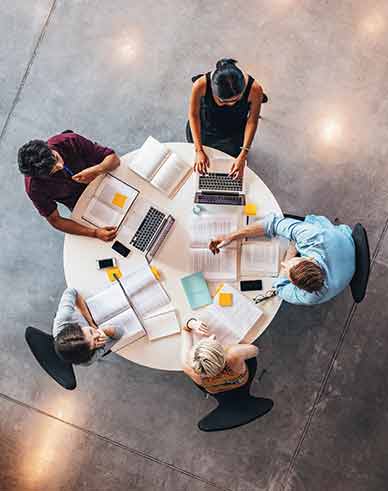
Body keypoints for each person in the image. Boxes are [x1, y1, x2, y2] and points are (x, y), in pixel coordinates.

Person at [209, 214, 356, 305]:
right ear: (309, 258)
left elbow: (280, 288)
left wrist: (291, 253)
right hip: (343, 245)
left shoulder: (312, 296)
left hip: (344, 250)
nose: (282, 264)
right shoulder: (312, 235)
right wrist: (229, 237)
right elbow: (270, 224)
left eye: (285, 269)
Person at [18, 130, 121, 241]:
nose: (61, 166)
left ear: (48, 147)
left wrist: (97, 170)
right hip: (82, 205)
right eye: (53, 171)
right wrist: (95, 233)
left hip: (104, 180)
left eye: (56, 158)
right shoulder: (34, 188)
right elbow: (55, 220)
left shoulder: (70, 141)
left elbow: (114, 160)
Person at [187, 58, 266, 179]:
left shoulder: (255, 90)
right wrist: (199, 151)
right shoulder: (200, 85)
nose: (229, 105)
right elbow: (193, 115)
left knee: (229, 164)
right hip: (205, 126)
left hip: (233, 131)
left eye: (235, 100)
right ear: (213, 88)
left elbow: (252, 121)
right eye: (222, 101)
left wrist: (243, 154)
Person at [181, 318, 258, 393]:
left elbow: (184, 329)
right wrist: (229, 347)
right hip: (241, 382)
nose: (213, 337)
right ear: (223, 355)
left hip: (216, 390)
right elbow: (255, 350)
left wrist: (191, 323)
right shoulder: (233, 355)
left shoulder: (187, 366)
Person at [53, 287, 124, 365]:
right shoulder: (88, 359)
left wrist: (90, 322)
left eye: (91, 332)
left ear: (78, 326)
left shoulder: (64, 318)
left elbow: (71, 291)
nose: (97, 334)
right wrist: (105, 330)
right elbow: (120, 332)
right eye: (94, 342)